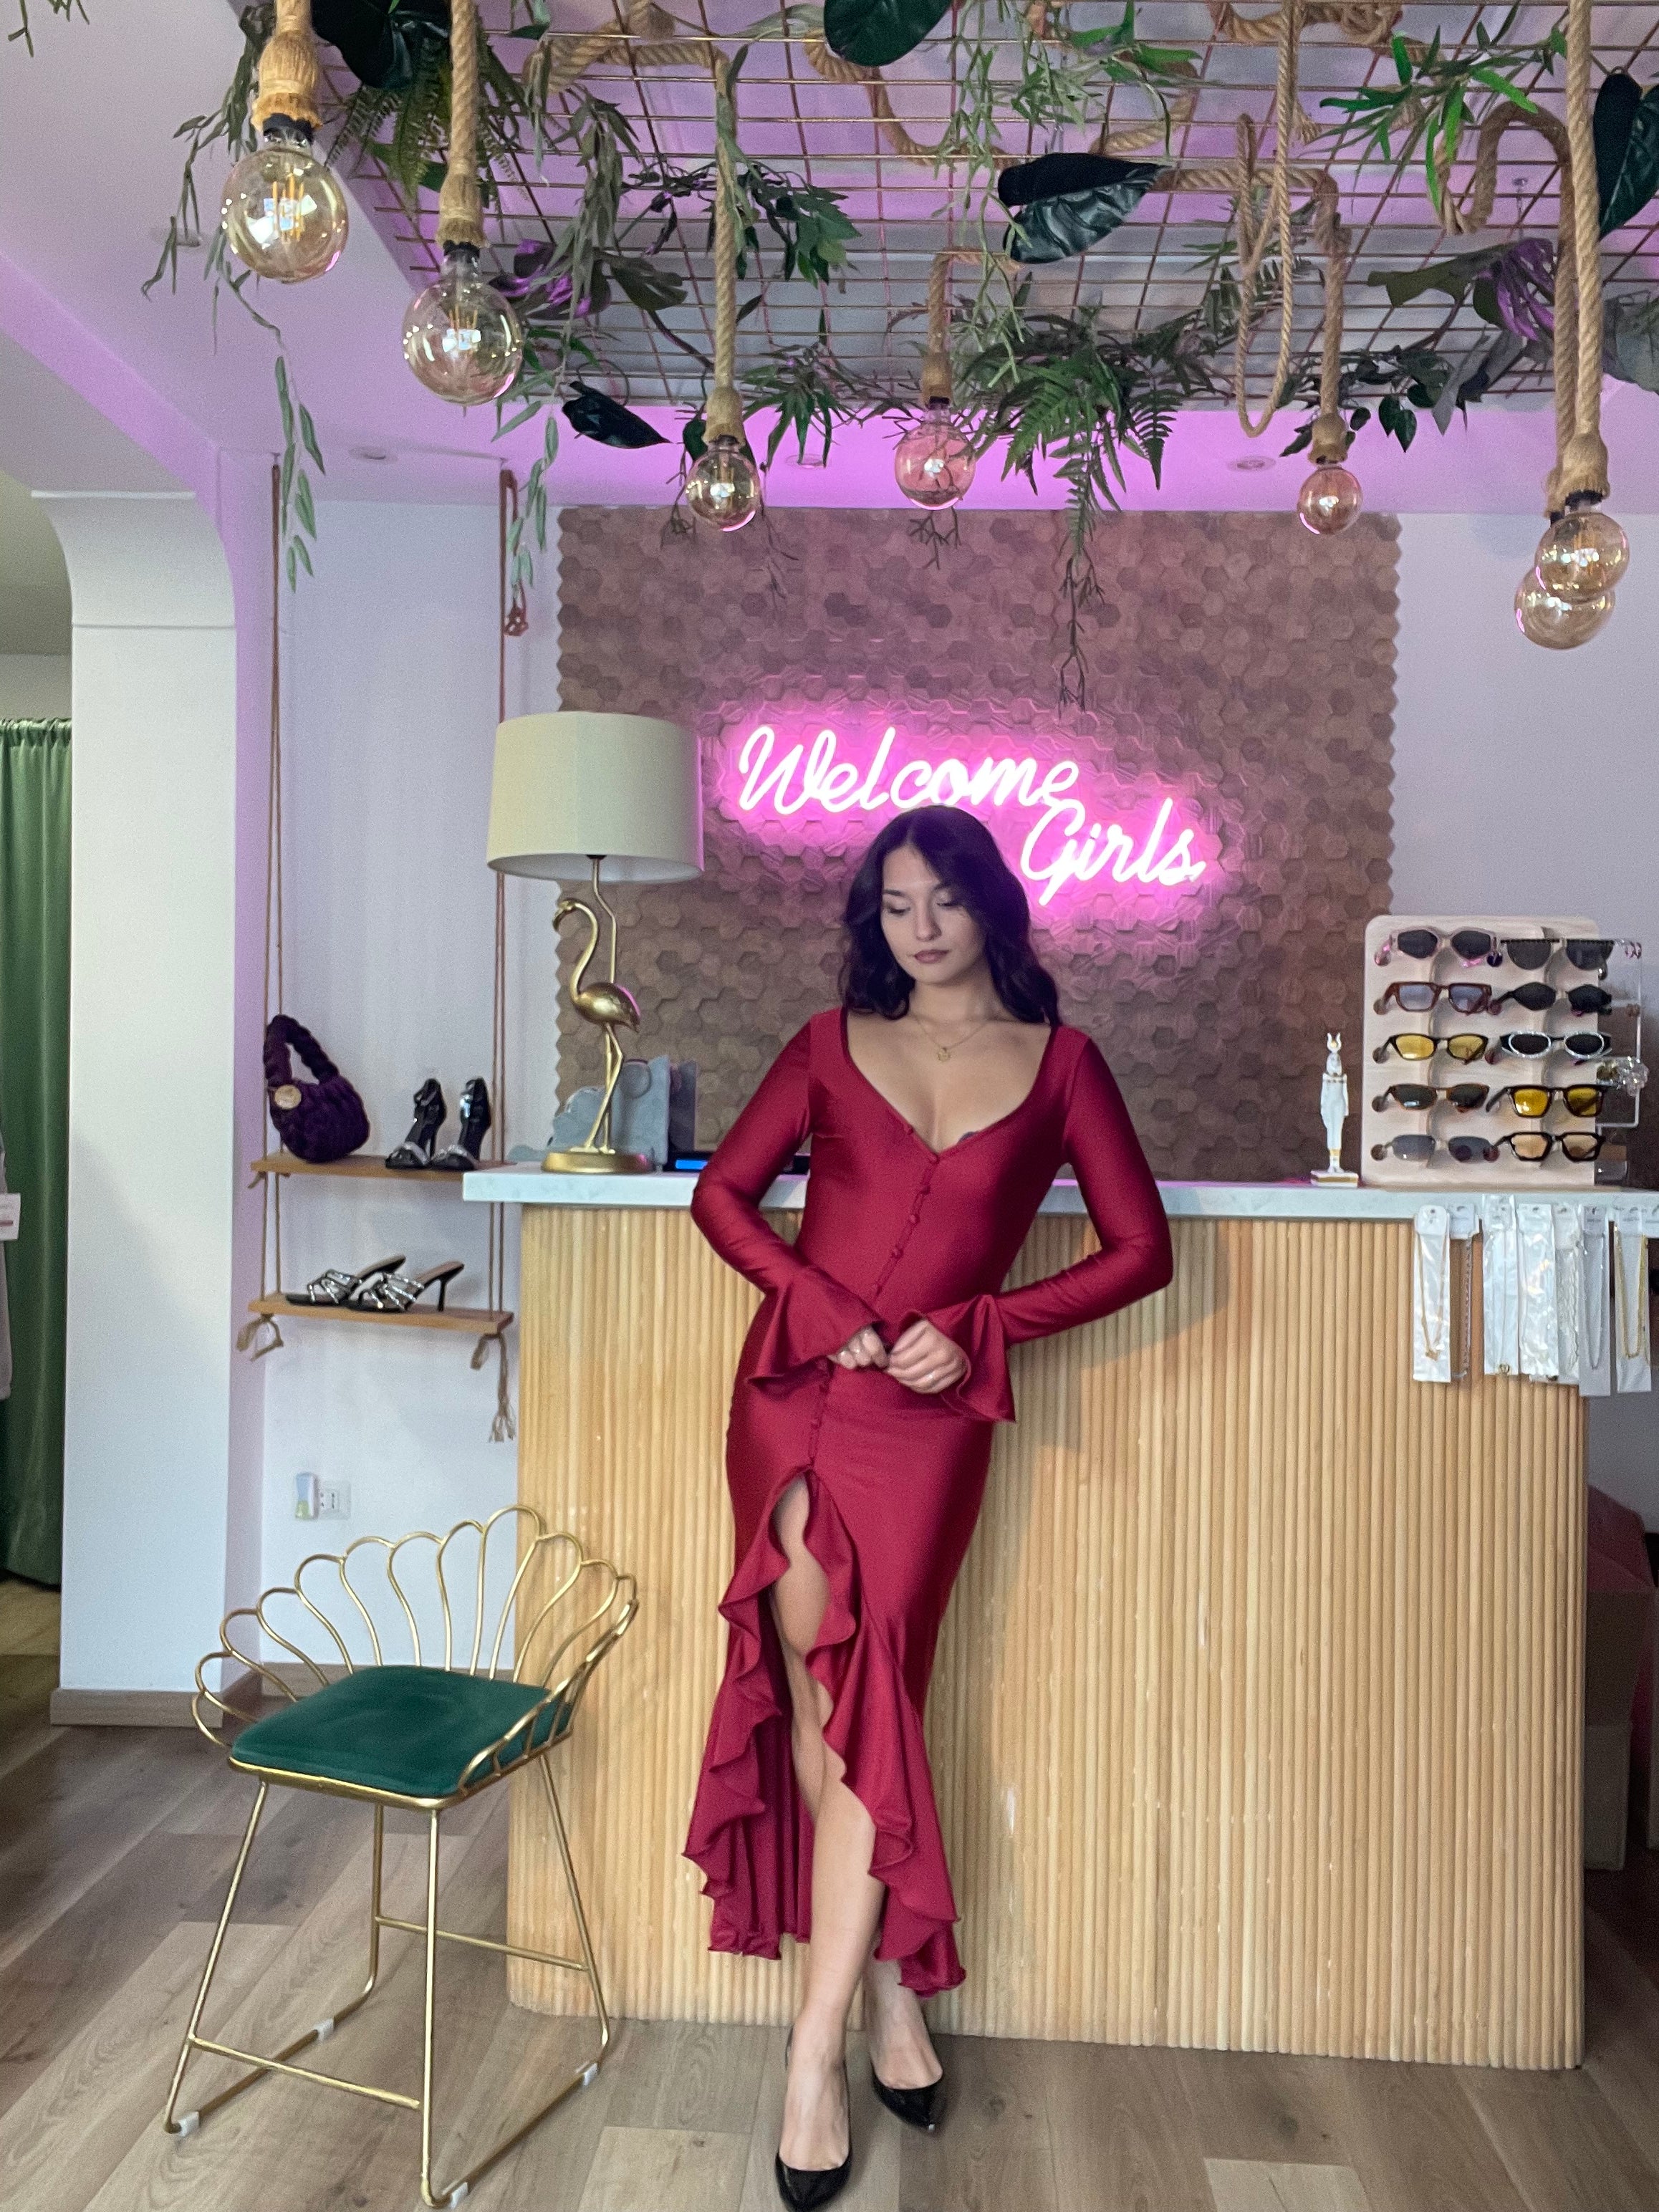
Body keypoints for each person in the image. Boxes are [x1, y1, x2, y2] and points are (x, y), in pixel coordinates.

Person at [684, 804, 1173, 2208]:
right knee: (827, 1704)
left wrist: (986, 1325)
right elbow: (724, 1200)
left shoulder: (1065, 1063)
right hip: (794, 1398)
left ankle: (852, 2014)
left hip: (930, 1425)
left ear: (990, 905)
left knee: (873, 1696)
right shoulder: (825, 1043)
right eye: (896, 904)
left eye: (945, 900)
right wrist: (814, 1299)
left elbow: (1141, 1249)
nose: (921, 928)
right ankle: (848, 2026)